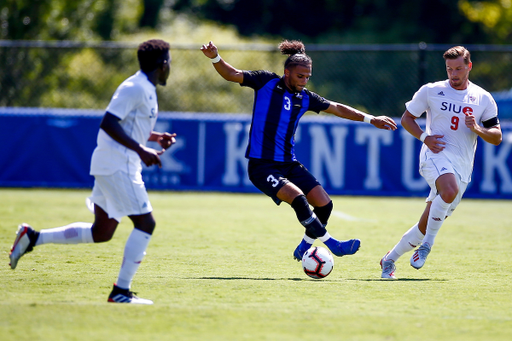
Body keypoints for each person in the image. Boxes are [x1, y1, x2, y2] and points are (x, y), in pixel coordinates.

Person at [9, 39, 177, 304]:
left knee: (102, 232)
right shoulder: (136, 87)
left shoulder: (144, 88)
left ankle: (32, 237)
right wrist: (142, 151)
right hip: (118, 165)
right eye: (170, 61)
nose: (170, 67)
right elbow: (109, 123)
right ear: (163, 64)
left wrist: (155, 138)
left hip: (113, 164)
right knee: (146, 223)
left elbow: (129, 124)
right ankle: (120, 292)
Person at [200, 40, 397, 262]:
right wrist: (215, 57)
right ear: (287, 73)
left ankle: (305, 246)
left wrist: (371, 119)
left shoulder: (305, 98)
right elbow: (232, 74)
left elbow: (337, 108)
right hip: (262, 166)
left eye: (307, 77)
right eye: (300, 76)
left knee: (324, 204)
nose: (304, 81)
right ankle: (333, 244)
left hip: (289, 164)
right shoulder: (266, 82)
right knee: (298, 198)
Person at [380, 46, 502, 279]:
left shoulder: (483, 97)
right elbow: (407, 118)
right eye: (449, 69)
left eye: (458, 69)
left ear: (469, 66)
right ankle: (428, 246)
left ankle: (389, 260)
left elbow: (497, 137)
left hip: (463, 166)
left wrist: (477, 128)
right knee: (449, 189)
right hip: (434, 154)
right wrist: (425, 138)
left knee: (425, 225)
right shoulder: (431, 90)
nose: (454, 74)